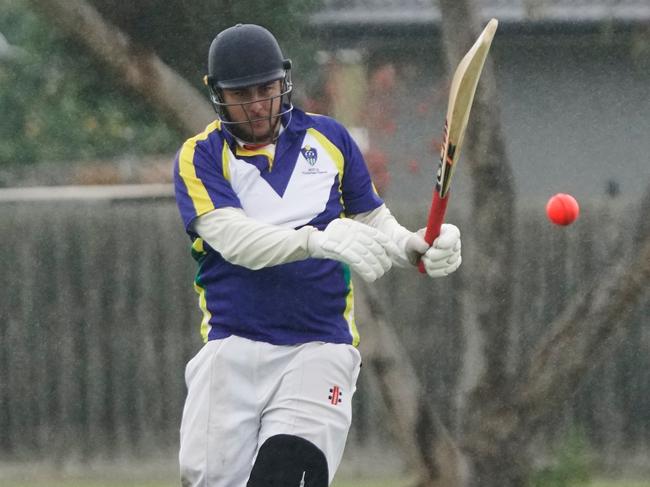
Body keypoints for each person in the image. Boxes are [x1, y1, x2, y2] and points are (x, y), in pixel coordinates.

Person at [173, 23, 462, 487]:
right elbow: (234, 241)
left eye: (266, 90)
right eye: (241, 94)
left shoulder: (329, 140)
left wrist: (412, 246)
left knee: (291, 472)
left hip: (319, 346)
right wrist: (315, 240)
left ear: (283, 82)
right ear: (216, 94)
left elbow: (372, 221)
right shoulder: (200, 157)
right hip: (233, 348)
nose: (257, 106)